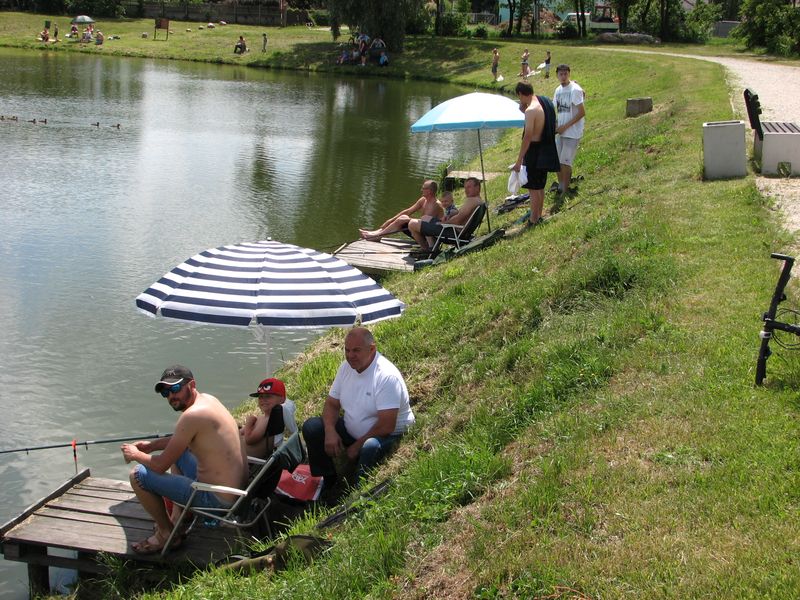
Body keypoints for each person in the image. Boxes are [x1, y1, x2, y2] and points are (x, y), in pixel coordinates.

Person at [120, 365, 247, 555]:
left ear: (192, 384)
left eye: (176, 388)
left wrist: (135, 454)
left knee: (138, 475)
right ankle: (177, 517)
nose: (171, 396)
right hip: (237, 491)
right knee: (177, 454)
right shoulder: (208, 401)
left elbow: (161, 464)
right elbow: (182, 440)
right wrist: (152, 446)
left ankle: (166, 534)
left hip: (216, 500)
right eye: (166, 392)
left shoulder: (191, 416)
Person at [302, 327, 414, 490]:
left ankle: (356, 491)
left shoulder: (386, 376)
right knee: (312, 427)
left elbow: (386, 426)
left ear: (372, 349)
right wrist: (330, 430)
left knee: (370, 447)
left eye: (356, 351)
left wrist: (358, 445)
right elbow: (332, 404)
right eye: (347, 350)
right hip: (352, 430)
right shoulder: (346, 368)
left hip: (386, 436)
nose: (350, 356)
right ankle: (328, 481)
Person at [512, 81, 560, 227]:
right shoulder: (544, 101)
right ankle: (538, 215)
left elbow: (527, 137)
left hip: (534, 151)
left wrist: (519, 160)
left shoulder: (530, 110)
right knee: (540, 186)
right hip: (545, 148)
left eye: (519, 97)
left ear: (520, 94)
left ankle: (533, 220)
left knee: (533, 188)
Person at [407, 177, 484, 252]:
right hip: (456, 230)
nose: (466, 190)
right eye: (465, 187)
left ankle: (427, 249)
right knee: (425, 217)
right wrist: (450, 215)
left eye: (469, 187)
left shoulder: (471, 201)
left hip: (452, 232)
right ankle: (433, 246)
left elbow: (458, 220)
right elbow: (460, 215)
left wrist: (444, 223)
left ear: (477, 187)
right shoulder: (478, 201)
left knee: (412, 224)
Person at [359, 179, 443, 241]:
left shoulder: (435, 205)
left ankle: (377, 236)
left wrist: (406, 220)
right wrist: (390, 220)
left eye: (424, 188)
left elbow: (426, 224)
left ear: (430, 191)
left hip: (430, 237)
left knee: (403, 219)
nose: (421, 190)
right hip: (420, 229)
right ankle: (376, 233)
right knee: (403, 216)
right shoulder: (423, 200)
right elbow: (408, 211)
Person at [553, 64, 586, 195]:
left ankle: (565, 190)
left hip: (572, 132)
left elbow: (582, 112)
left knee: (565, 161)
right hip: (560, 132)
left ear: (569, 74)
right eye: (560, 74)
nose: (563, 76)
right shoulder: (558, 90)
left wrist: (565, 127)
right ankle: (561, 185)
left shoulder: (575, 90)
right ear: (557, 75)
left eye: (565, 74)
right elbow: (556, 109)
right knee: (557, 161)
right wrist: (556, 126)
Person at [241, 377, 287, 459]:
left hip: (247, 460)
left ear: (282, 399)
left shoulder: (268, 420)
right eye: (260, 397)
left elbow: (249, 440)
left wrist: (249, 423)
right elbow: (241, 432)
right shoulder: (262, 418)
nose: (263, 400)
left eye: (268, 396)